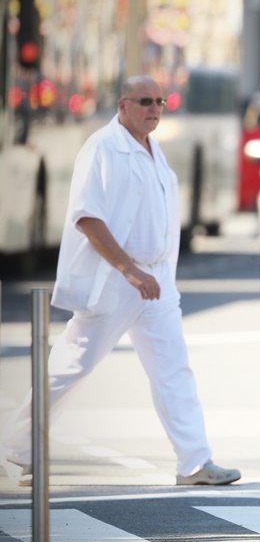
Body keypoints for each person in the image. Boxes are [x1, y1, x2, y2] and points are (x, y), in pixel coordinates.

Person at [2, 76, 240, 487]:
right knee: (73, 366)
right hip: (116, 279)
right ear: (122, 105)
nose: (154, 109)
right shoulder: (103, 147)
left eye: (160, 101)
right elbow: (87, 217)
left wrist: (155, 272)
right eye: (145, 101)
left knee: (173, 369)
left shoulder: (153, 148)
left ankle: (195, 463)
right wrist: (129, 270)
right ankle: (15, 448)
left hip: (157, 280)